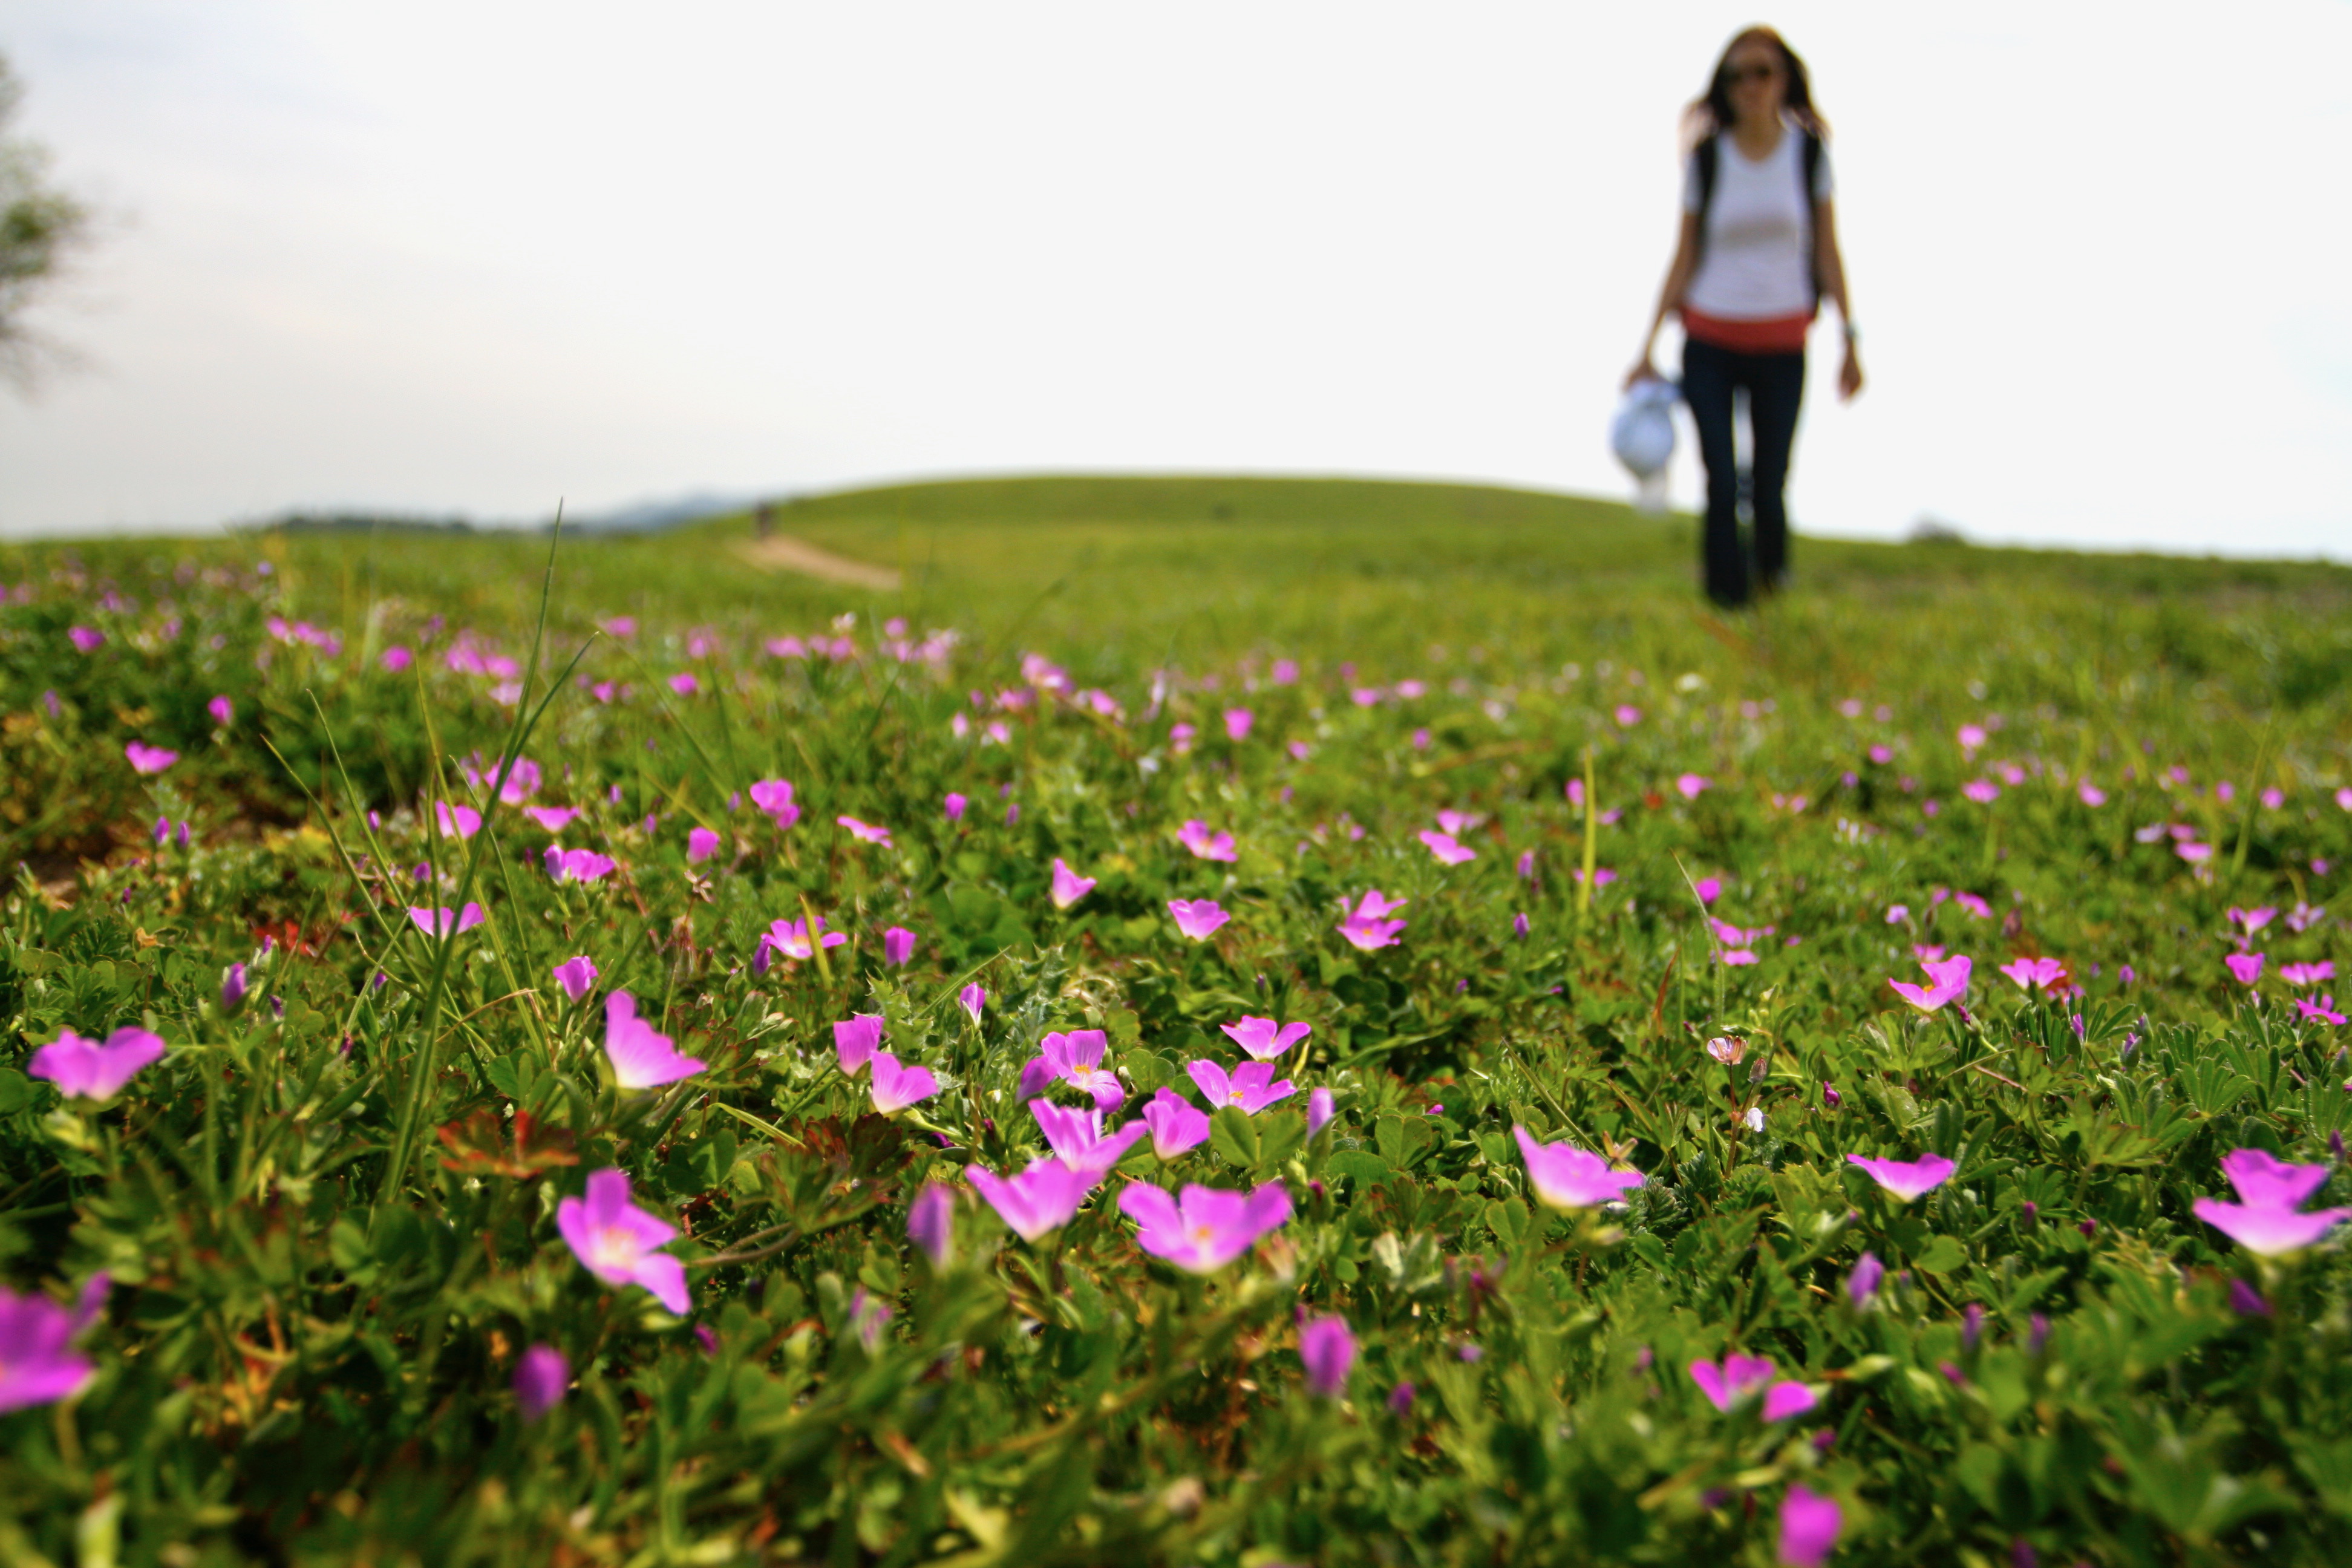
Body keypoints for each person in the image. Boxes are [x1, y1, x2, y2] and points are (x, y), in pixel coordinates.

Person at [1627, 26, 1861, 609]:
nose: (1749, 86)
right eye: (1736, 75)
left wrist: (1850, 338)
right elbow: (1684, 253)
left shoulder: (1807, 156)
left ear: (1785, 80)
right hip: (1709, 337)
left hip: (1783, 339)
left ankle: (1771, 584)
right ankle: (1725, 598)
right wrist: (1647, 346)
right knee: (1721, 476)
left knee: (1771, 477)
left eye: (1762, 72)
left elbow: (1828, 249)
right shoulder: (1708, 158)